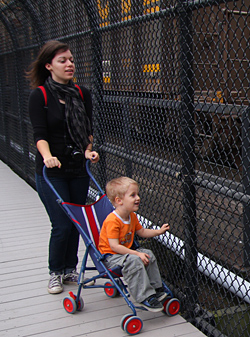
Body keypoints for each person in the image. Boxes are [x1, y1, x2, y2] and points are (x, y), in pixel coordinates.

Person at [27, 40, 100, 294]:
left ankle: (70, 268)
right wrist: (47, 155)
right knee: (61, 224)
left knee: (77, 221)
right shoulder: (40, 95)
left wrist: (89, 150)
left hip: (77, 169)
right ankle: (55, 272)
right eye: (62, 61)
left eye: (70, 59)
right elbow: (39, 134)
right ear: (49, 66)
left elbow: (87, 131)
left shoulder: (82, 93)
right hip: (51, 172)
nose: (69, 64)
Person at [98, 177, 170, 312]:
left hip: (125, 253)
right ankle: (144, 297)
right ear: (119, 201)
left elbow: (142, 231)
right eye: (133, 195)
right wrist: (136, 253)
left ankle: (156, 288)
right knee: (135, 260)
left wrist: (158, 231)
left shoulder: (132, 216)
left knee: (148, 254)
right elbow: (114, 246)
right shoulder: (113, 220)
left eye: (137, 194)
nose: (138, 198)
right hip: (111, 257)